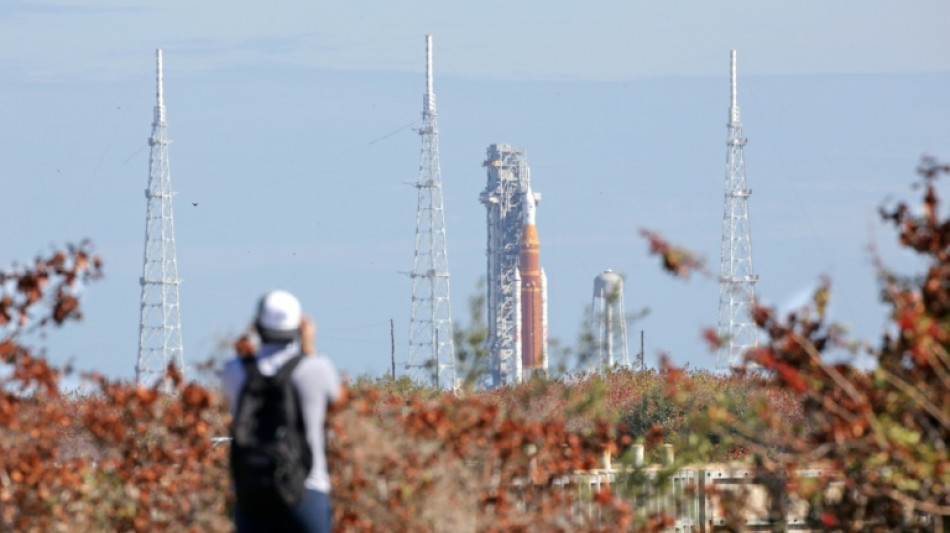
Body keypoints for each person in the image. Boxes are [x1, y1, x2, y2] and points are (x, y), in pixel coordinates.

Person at [221, 290, 342, 533]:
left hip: (253, 494)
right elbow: (337, 400)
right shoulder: (317, 369)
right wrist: (308, 346)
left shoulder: (234, 371)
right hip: (306, 490)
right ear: (300, 326)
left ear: (257, 326)